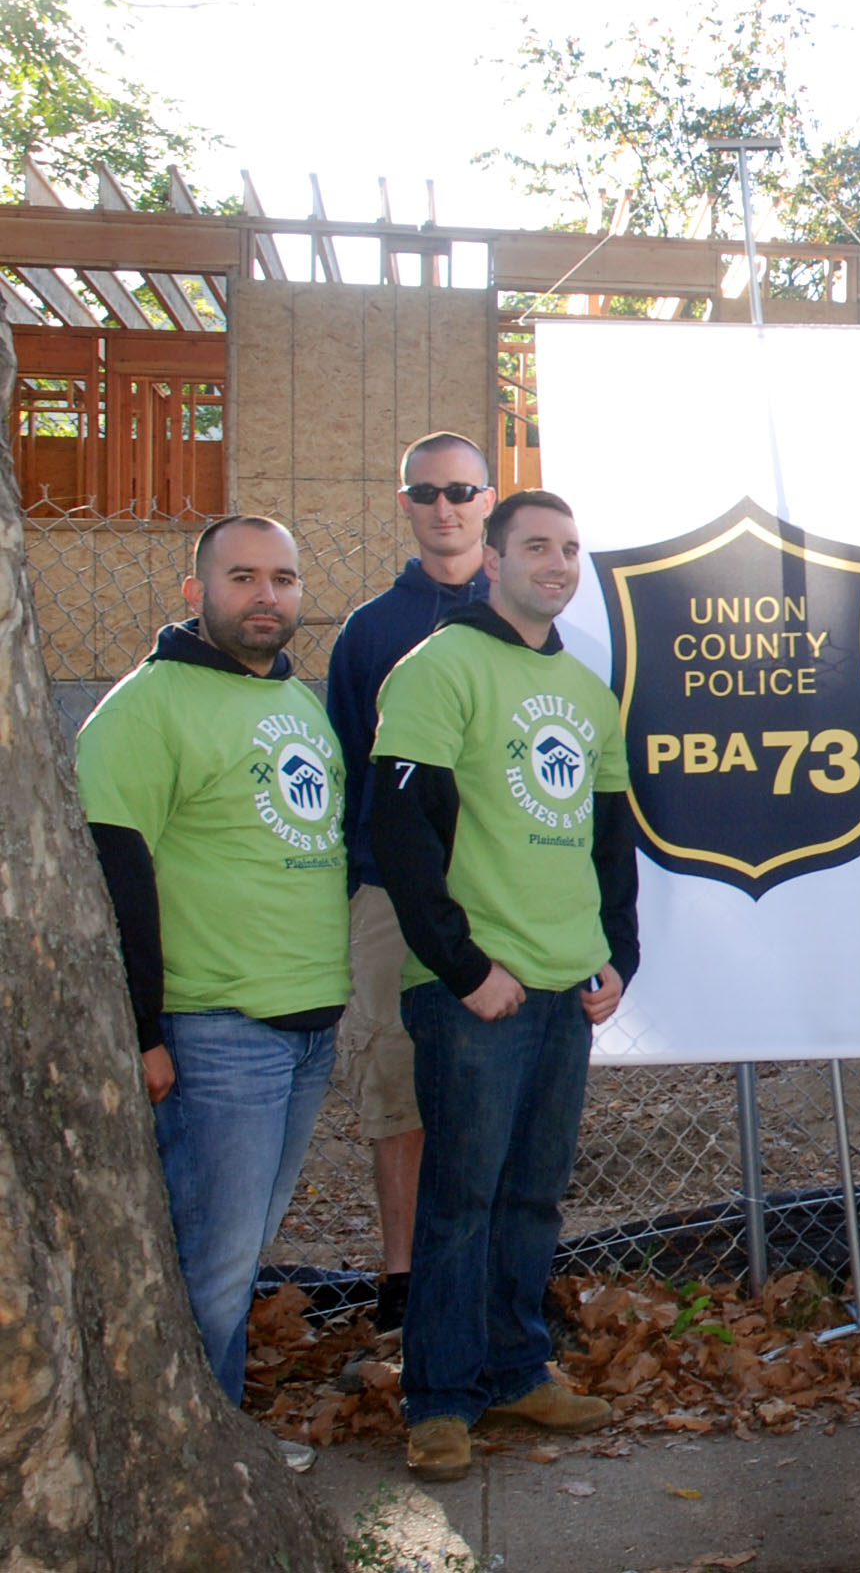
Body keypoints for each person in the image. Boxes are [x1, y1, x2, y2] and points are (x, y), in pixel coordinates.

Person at [370, 489, 638, 1480]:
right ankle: (440, 1399)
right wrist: (466, 967)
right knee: (460, 1201)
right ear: (492, 557)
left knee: (532, 1196)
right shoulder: (440, 667)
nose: (558, 564)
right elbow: (400, 833)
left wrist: (619, 953)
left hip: (566, 990)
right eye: (537, 546)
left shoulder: (584, 686)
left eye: (570, 548)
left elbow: (612, 839)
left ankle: (518, 1370)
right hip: (479, 990)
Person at [77, 515, 349, 1442]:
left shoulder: (296, 701)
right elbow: (115, 877)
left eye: (283, 578)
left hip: (309, 1024)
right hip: (217, 1029)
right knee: (212, 1265)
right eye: (242, 577)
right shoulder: (146, 707)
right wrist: (143, 1029)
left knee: (241, 1254)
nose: (266, 595)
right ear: (196, 593)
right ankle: (192, 1454)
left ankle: (213, 1445)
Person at [323, 430, 494, 1339]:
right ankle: (401, 1282)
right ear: (405, 504)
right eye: (426, 492)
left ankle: (497, 1286)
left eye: (462, 491)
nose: (445, 507)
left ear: (488, 500)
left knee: (494, 1087)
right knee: (399, 1085)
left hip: (502, 892)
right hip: (392, 894)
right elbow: (350, 767)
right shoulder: (371, 630)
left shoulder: (525, 619)